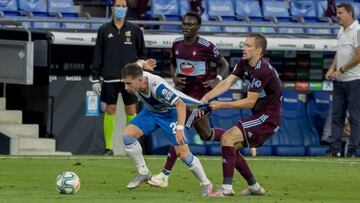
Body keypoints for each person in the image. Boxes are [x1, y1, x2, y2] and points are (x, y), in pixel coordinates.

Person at [147, 11, 229, 188]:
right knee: (207, 135)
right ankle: (234, 136)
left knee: (179, 130)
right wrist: (175, 77)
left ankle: (164, 175)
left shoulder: (206, 46)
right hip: (181, 96)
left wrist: (218, 80)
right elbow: (172, 63)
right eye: (184, 24)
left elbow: (224, 65)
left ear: (198, 27)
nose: (186, 27)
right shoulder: (176, 43)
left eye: (190, 24)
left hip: (199, 100)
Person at [200, 33, 282, 196]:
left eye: (248, 45)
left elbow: (249, 102)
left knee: (227, 138)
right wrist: (205, 98)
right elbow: (226, 82)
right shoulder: (245, 63)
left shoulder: (262, 70)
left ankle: (226, 189)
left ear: (258, 51)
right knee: (232, 147)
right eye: (243, 44)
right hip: (259, 115)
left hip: (267, 118)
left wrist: (220, 104)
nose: (243, 48)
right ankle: (254, 187)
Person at [121, 61, 213, 196]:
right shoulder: (137, 73)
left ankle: (205, 183)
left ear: (140, 80)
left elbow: (180, 104)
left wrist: (180, 128)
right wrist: (144, 63)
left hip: (170, 114)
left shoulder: (158, 87)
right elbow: (138, 64)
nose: (125, 87)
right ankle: (143, 172)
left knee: (183, 154)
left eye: (128, 83)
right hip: (151, 112)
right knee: (127, 136)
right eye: (125, 83)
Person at [91, 0, 146, 155]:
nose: (120, 8)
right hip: (109, 79)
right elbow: (98, 55)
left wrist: (139, 66)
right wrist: (95, 78)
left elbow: (142, 54)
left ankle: (132, 146)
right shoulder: (103, 30)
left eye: (123, 6)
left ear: (127, 9)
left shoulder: (135, 30)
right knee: (110, 110)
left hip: (130, 79)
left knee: (131, 110)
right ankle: (108, 148)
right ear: (113, 8)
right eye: (118, 6)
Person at [325, 2, 360, 158]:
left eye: (340, 13)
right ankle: (334, 150)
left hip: (355, 80)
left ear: (350, 13)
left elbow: (359, 56)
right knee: (336, 116)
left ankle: (352, 150)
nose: (337, 16)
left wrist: (340, 70)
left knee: (354, 116)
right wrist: (332, 69)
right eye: (337, 13)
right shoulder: (341, 30)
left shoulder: (358, 31)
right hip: (339, 81)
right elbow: (339, 52)